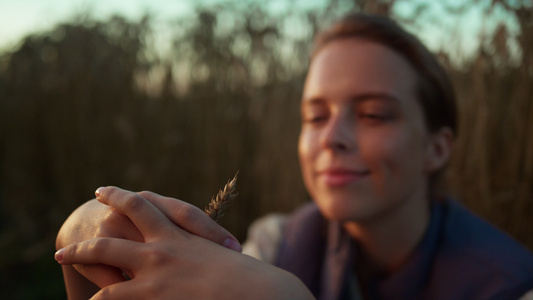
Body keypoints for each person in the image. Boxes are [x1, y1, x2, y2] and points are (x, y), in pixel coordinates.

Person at [55, 13, 533, 300]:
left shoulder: (510, 286)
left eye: (372, 114)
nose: (332, 138)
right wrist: (91, 219)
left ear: (438, 147)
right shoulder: (276, 240)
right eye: (315, 115)